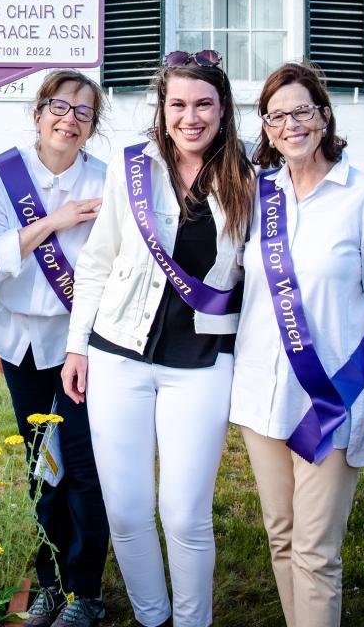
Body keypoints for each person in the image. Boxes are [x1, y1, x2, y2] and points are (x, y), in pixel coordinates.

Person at [62, 50, 254, 627]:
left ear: (223, 111)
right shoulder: (131, 167)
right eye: (178, 104)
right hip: (118, 353)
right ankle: (152, 617)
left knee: (185, 513)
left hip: (201, 362)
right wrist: (77, 346)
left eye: (203, 104)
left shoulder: (250, 177)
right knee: (125, 510)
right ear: (162, 108)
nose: (190, 117)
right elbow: (97, 261)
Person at [229, 62, 364, 627]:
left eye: (302, 111)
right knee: (281, 537)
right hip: (260, 397)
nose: (291, 125)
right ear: (266, 129)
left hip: (333, 398)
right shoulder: (255, 195)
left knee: (317, 552)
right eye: (277, 116)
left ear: (324, 116)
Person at [0, 70, 110, 627]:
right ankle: (49, 583)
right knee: (40, 466)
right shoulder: (2, 175)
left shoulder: (106, 179)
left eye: (83, 112)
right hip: (19, 342)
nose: (69, 119)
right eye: (59, 106)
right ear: (37, 112)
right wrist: (54, 222)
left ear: (91, 127)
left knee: (80, 466)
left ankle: (86, 590)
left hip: (79, 346)